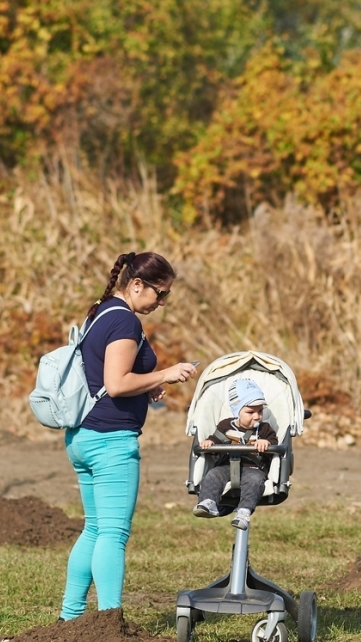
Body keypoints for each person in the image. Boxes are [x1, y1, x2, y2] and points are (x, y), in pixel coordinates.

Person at [59, 251, 197, 621]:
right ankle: (108, 622)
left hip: (83, 438)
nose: (162, 302)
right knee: (113, 534)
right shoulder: (124, 322)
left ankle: (70, 618)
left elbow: (106, 376)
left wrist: (146, 386)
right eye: (160, 293)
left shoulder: (99, 311)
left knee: (94, 529)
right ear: (136, 285)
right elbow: (116, 384)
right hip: (110, 442)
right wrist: (164, 374)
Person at [193, 377, 278, 530]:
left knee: (254, 481)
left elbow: (274, 443)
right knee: (213, 475)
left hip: (253, 468)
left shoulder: (265, 429)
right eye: (250, 412)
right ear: (237, 411)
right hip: (226, 465)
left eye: (260, 411)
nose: (257, 416)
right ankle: (208, 502)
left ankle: (243, 512)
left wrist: (267, 443)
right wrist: (209, 443)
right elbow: (214, 439)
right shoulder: (226, 425)